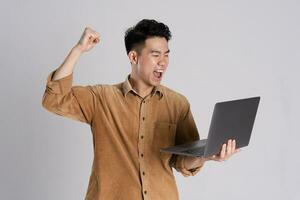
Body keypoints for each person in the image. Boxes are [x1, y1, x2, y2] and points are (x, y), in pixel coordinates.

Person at [42, 19, 240, 200]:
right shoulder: (101, 98)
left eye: (166, 55)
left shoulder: (177, 104)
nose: (163, 62)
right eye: (155, 55)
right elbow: (54, 99)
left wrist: (206, 156)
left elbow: (182, 162)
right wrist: (78, 49)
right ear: (133, 57)